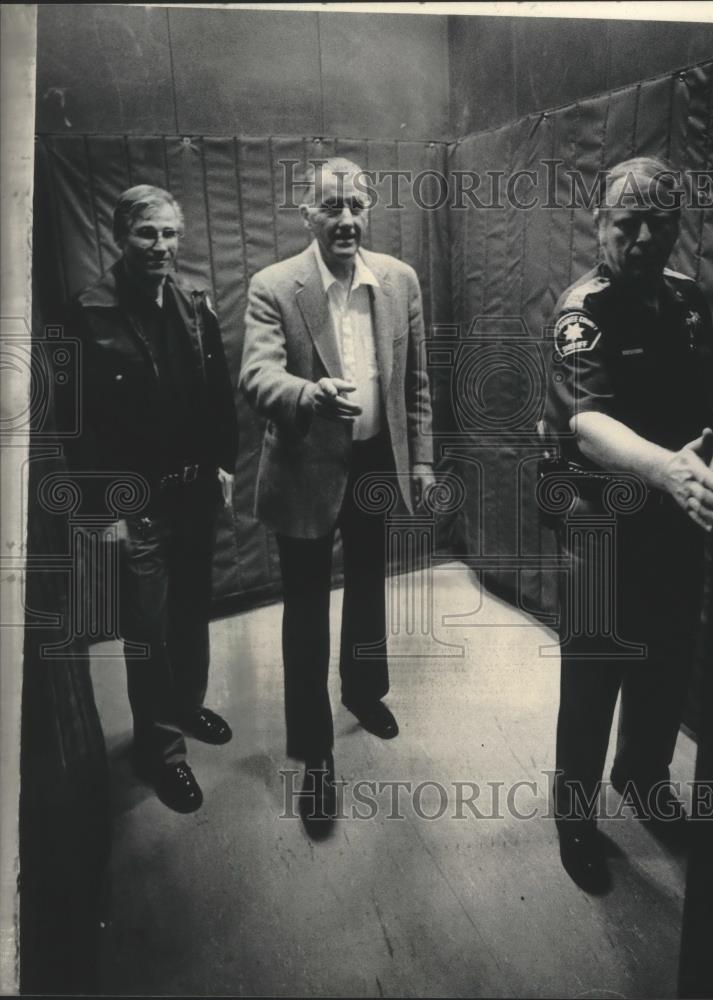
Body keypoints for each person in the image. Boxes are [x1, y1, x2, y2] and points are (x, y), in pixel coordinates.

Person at [542, 157, 713, 892]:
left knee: (666, 659)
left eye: (660, 222)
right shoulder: (580, 310)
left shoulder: (686, 299)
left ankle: (643, 777)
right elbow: (587, 424)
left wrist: (705, 456)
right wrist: (665, 469)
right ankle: (575, 816)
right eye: (628, 222)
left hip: (673, 522)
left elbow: (707, 400)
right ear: (600, 227)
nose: (644, 236)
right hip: (602, 524)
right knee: (592, 679)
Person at [240, 157, 434, 828]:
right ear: (307, 215)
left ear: (368, 209)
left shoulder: (400, 281)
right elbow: (256, 376)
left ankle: (363, 690)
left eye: (356, 205)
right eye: (332, 208)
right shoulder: (274, 286)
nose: (346, 219)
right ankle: (315, 756)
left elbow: (415, 383)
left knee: (370, 585)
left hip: (378, 458)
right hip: (305, 468)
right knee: (304, 613)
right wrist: (307, 393)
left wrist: (422, 461)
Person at [64, 185, 239, 813]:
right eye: (146, 234)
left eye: (169, 233)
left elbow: (219, 392)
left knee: (193, 612)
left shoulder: (195, 304)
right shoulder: (86, 312)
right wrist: (101, 507)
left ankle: (187, 707)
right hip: (133, 503)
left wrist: (223, 462)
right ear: (120, 237)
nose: (160, 246)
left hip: (193, 491)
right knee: (146, 631)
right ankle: (161, 750)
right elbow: (76, 423)